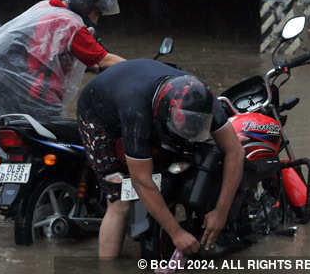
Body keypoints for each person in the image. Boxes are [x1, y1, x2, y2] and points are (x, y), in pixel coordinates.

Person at [0, 0, 125, 189]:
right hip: (39, 100)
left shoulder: (45, 9)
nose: (97, 19)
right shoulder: (71, 24)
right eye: (97, 12)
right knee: (85, 142)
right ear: (86, 5)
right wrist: (138, 69)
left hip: (11, 94)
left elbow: (45, 50)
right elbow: (104, 58)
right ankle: (82, 188)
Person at [77, 59, 244, 258]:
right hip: (98, 115)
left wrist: (221, 212)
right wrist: (176, 233)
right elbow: (141, 180)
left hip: (146, 96)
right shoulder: (136, 112)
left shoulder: (205, 102)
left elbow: (235, 152)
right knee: (120, 200)